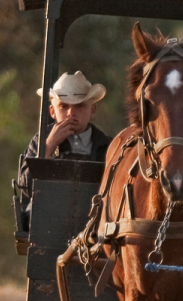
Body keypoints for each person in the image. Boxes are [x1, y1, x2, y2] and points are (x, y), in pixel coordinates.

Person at [15, 72, 113, 233]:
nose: (71, 113)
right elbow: (26, 187)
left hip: (94, 221)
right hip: (47, 222)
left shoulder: (108, 146)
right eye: (63, 106)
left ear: (92, 110)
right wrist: (48, 147)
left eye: (80, 106)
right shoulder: (40, 142)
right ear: (52, 111)